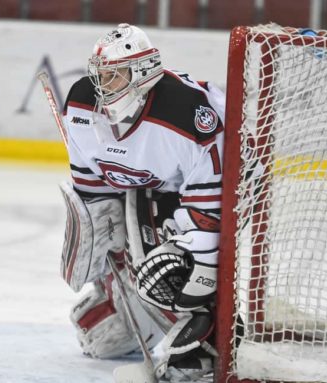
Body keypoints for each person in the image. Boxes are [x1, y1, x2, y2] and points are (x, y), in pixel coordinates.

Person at [57, 23, 225, 382]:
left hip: (193, 198)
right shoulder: (81, 103)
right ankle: (121, 299)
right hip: (142, 190)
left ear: (143, 73)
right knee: (101, 339)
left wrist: (193, 261)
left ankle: (201, 337)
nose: (102, 84)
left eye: (114, 75)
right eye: (100, 74)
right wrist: (100, 232)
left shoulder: (188, 116)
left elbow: (209, 210)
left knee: (174, 273)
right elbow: (92, 189)